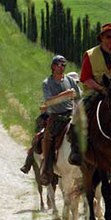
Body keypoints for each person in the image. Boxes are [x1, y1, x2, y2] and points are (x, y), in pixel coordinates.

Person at [73, 23, 111, 164]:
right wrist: (101, 89)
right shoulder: (90, 54)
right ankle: (76, 149)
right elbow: (85, 78)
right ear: (101, 38)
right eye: (108, 37)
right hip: (96, 92)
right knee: (78, 115)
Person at [27, 55, 82, 184]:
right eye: (59, 64)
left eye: (64, 65)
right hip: (56, 116)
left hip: (70, 114)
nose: (61, 67)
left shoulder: (70, 80)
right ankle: (46, 168)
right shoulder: (47, 83)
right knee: (47, 137)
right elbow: (49, 101)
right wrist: (65, 95)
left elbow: (79, 96)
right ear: (52, 66)